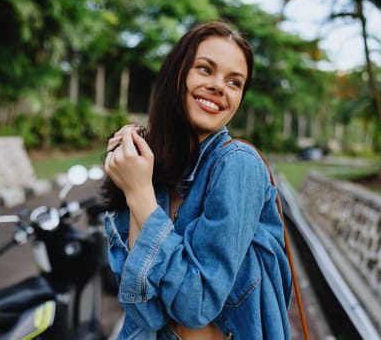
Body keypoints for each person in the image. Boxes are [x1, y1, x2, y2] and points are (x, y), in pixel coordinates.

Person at [102, 20, 292, 340]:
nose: (219, 86)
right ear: (176, 74)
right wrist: (139, 184)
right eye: (205, 69)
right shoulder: (153, 168)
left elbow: (196, 306)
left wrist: (139, 192)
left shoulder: (236, 165)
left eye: (234, 82)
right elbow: (143, 311)